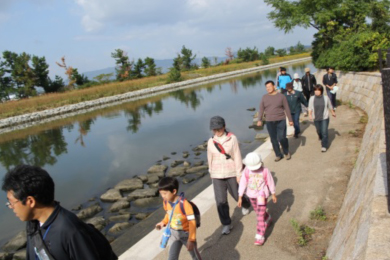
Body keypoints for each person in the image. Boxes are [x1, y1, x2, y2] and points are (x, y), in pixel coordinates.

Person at [1, 165, 117, 260]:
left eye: (11, 202)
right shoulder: (33, 223)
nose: (11, 207)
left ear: (30, 201)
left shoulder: (70, 231)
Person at [207, 116, 251, 235]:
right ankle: (226, 224)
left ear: (224, 126)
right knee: (221, 201)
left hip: (231, 172)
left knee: (237, 195)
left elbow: (237, 156)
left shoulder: (232, 139)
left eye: (219, 129)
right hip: (217, 175)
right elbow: (209, 157)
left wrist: (239, 173)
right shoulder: (211, 141)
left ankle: (247, 204)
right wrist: (211, 171)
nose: (216, 132)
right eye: (214, 130)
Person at [155, 177, 202, 260]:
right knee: (172, 257)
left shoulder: (184, 204)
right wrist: (163, 222)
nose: (163, 196)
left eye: (165, 193)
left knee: (194, 255)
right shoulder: (165, 202)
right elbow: (169, 214)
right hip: (173, 234)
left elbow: (192, 222)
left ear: (174, 191)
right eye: (161, 193)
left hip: (186, 234)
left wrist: (191, 239)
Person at [238, 152, 277, 246]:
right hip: (251, 195)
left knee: (259, 216)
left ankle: (260, 236)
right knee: (258, 212)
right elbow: (242, 183)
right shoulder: (246, 171)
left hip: (262, 196)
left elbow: (270, 182)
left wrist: (273, 193)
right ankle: (267, 217)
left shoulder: (265, 171)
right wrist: (240, 196)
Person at [257, 80, 294, 161]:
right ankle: (278, 154)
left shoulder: (281, 96)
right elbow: (261, 109)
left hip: (281, 120)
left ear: (274, 86)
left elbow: (287, 108)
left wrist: (290, 120)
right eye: (266, 87)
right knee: (273, 139)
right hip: (269, 121)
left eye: (269, 86)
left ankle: (286, 152)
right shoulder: (264, 97)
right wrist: (259, 119)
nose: (268, 88)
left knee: (282, 138)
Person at [308, 85, 336, 152]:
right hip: (316, 118)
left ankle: (324, 146)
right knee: (319, 130)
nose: (317, 92)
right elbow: (310, 107)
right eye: (315, 90)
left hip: (324, 117)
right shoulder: (312, 98)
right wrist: (310, 115)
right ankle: (320, 136)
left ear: (321, 91)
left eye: (318, 90)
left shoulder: (326, 98)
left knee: (324, 132)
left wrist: (332, 112)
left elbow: (330, 105)